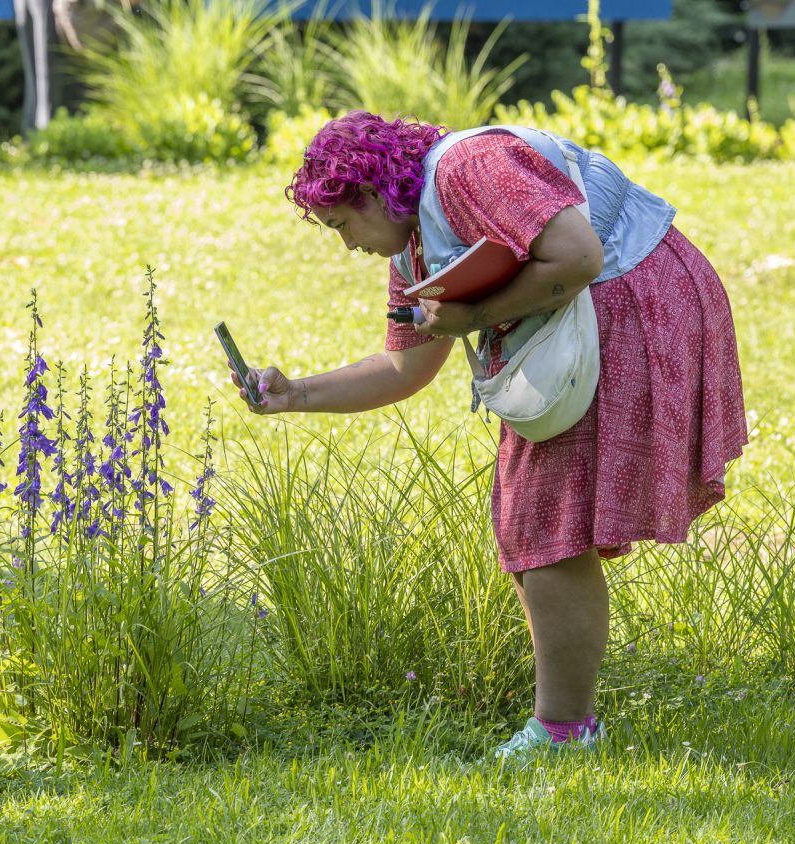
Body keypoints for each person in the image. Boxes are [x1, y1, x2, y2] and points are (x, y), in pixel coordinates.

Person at [230, 111, 748, 760]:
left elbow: (580, 255)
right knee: (530, 516)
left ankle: (565, 732)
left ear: (372, 194)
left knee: (545, 521)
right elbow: (406, 366)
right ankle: (564, 723)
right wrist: (296, 394)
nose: (347, 245)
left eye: (343, 225)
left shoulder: (469, 170)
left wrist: (475, 314)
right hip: (605, 306)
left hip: (636, 294)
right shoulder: (415, 238)